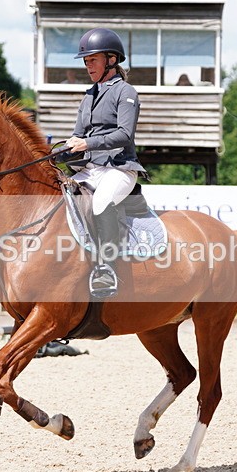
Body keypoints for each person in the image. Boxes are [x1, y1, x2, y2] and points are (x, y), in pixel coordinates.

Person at [64, 28, 145, 298]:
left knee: (100, 203)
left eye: (93, 60)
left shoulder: (126, 92)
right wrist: (65, 148)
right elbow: (78, 134)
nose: (88, 66)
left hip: (120, 168)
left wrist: (87, 143)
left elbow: (124, 134)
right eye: (86, 61)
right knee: (61, 199)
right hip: (90, 170)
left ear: (111, 59)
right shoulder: (89, 95)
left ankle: (108, 269)